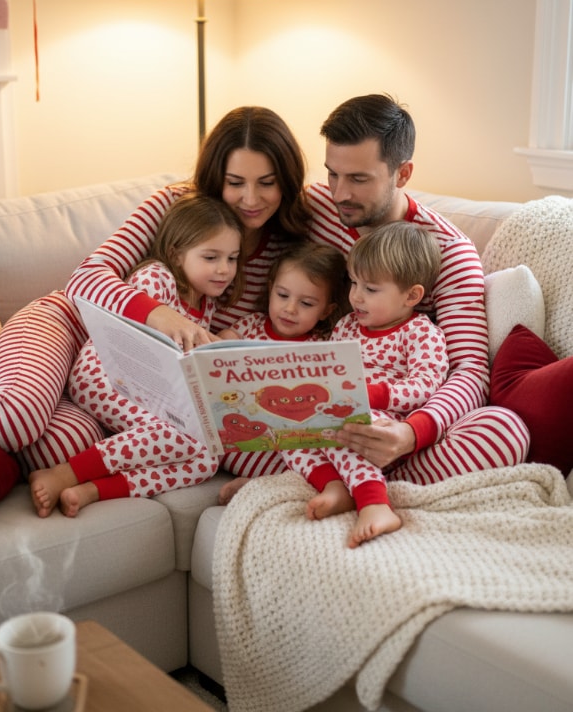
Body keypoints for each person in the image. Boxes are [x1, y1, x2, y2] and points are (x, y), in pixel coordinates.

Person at [0, 106, 310, 480]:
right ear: (215, 178)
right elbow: (85, 278)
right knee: (19, 419)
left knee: (64, 449)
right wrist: (158, 314)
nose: (251, 199)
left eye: (268, 183)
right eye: (235, 183)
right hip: (67, 328)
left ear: (286, 181)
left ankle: (2, 411)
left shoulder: (286, 249)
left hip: (123, 383)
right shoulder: (176, 207)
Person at [304, 94, 529, 484]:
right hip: (327, 410)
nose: (340, 193)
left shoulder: (449, 252)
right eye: (333, 174)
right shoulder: (317, 207)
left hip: (406, 421)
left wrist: (411, 434)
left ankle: (363, 481)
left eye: (358, 179)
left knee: (504, 430)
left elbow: (471, 371)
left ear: (402, 174)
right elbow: (213, 201)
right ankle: (352, 478)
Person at [29, 195, 245, 517]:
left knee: (207, 460)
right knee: (182, 434)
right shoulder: (157, 278)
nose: (224, 269)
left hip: (150, 390)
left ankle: (93, 490)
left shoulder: (207, 304)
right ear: (177, 253)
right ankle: (66, 472)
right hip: (105, 376)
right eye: (211, 257)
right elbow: (130, 341)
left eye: (232, 258)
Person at [284, 221, 449, 547]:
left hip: (385, 430)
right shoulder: (346, 326)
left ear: (411, 295)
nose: (356, 296)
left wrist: (372, 393)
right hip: (336, 415)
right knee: (287, 430)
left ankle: (375, 504)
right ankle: (334, 486)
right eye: (354, 282)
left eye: (371, 289)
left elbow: (427, 384)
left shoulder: (419, 332)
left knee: (349, 423)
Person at [218, 239, 350, 343]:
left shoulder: (323, 344)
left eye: (306, 303)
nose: (290, 309)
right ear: (271, 290)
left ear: (326, 311)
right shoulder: (251, 324)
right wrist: (224, 339)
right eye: (282, 295)